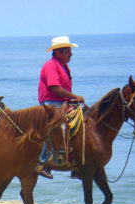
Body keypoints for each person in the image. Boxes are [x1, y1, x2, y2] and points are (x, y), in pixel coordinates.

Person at [37, 36, 85, 179]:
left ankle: (75, 162)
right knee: (57, 124)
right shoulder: (50, 65)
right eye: (67, 51)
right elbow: (54, 88)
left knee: (81, 122)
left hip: (62, 102)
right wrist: (74, 96)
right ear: (57, 53)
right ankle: (43, 162)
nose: (71, 54)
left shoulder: (64, 66)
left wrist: (71, 99)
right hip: (51, 102)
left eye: (70, 51)